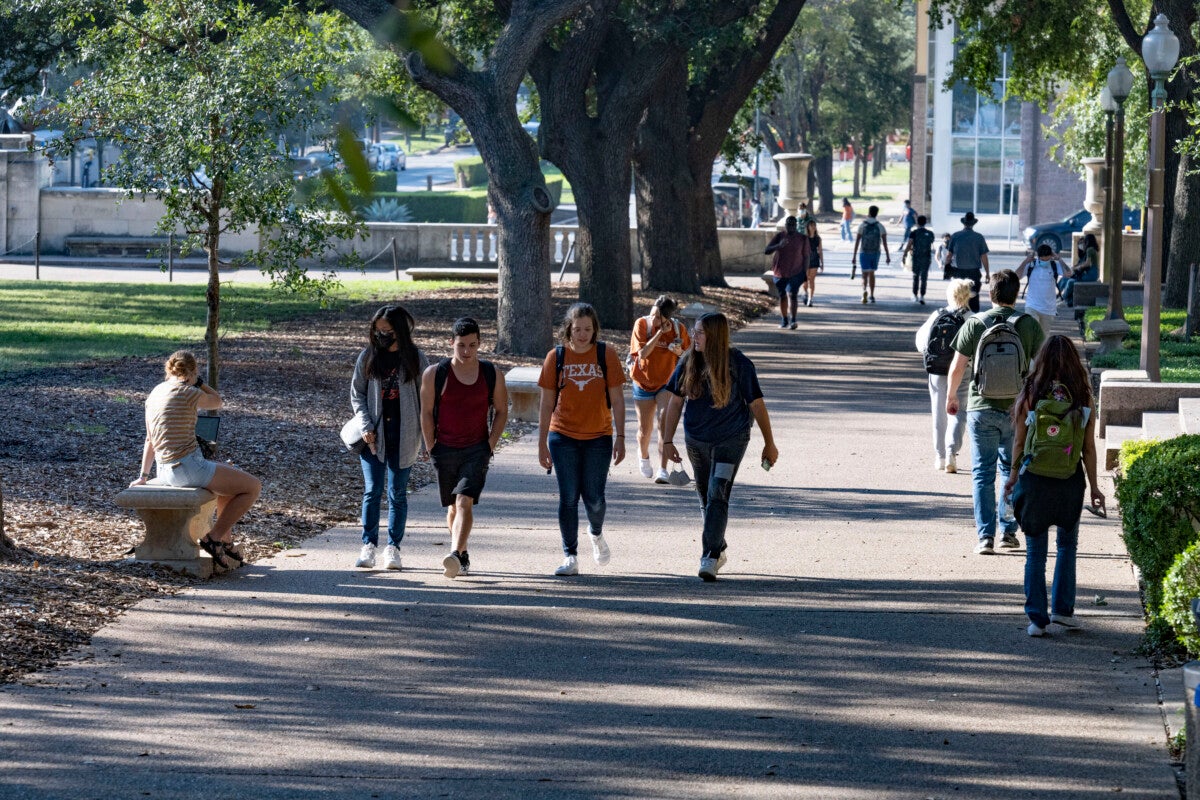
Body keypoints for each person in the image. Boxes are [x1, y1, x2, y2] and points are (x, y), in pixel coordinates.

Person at [662, 312, 779, 582]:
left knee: (717, 492)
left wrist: (769, 443)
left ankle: (710, 556)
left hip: (731, 440)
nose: (694, 336)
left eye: (700, 332)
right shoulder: (688, 361)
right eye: (694, 331)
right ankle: (718, 544)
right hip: (696, 441)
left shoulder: (739, 364)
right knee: (705, 495)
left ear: (715, 336)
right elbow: (675, 402)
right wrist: (667, 441)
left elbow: (756, 404)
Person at [1003, 335, 1105, 636]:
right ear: (1074, 362)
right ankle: (1063, 610)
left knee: (1035, 552)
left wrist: (1013, 477)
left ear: (1042, 360)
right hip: (1069, 482)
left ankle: (1037, 619)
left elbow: (1019, 442)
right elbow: (1088, 448)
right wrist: (1094, 486)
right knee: (1067, 546)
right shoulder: (1082, 397)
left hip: (1034, 481)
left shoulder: (1031, 394)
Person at [131, 350, 261, 570]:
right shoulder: (188, 392)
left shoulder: (155, 393)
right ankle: (214, 538)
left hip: (164, 470)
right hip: (188, 468)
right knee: (253, 487)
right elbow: (217, 401)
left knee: (228, 474)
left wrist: (143, 476)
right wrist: (200, 383)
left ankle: (226, 541)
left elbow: (149, 439)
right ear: (192, 372)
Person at [946, 270, 1045, 555]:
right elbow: (1042, 367)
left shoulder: (975, 323)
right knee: (1012, 471)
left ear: (990, 294)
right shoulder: (1029, 324)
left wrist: (951, 397)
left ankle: (985, 537)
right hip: (1017, 410)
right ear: (1016, 294)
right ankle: (1008, 532)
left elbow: (958, 367)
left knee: (982, 473)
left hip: (981, 408)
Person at [537, 303, 626, 576]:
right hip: (562, 436)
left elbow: (618, 400)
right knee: (568, 497)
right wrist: (541, 443)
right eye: (577, 329)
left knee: (594, 498)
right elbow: (546, 403)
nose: (583, 334)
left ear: (595, 329)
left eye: (588, 329)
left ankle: (596, 532)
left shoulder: (606, 354)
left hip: (599, 436)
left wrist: (621, 437)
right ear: (568, 329)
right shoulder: (556, 357)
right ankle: (570, 555)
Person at [420, 317, 508, 579]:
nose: (467, 351)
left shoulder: (491, 374)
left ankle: (455, 554)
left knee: (464, 500)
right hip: (444, 448)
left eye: (472, 345)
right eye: (461, 345)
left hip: (476, 449)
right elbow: (426, 412)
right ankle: (463, 553)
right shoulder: (435, 374)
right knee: (453, 507)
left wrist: (489, 444)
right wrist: (430, 445)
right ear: (451, 343)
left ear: (479, 343)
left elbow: (502, 411)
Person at [350, 305, 429, 570]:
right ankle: (368, 545)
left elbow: (427, 401)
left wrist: (428, 439)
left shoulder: (416, 358)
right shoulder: (367, 356)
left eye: (387, 331)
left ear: (401, 331)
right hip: (373, 435)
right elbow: (357, 394)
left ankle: (393, 547)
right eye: (378, 331)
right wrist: (365, 426)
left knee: (397, 493)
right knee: (372, 490)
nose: (381, 336)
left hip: (405, 434)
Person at [629, 296, 690, 483]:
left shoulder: (678, 329)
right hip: (643, 382)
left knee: (664, 423)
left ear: (668, 318)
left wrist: (679, 351)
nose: (654, 319)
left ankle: (662, 470)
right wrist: (658, 334)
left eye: (658, 317)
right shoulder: (642, 325)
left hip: (666, 383)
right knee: (644, 429)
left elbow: (689, 355)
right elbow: (642, 354)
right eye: (653, 314)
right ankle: (643, 456)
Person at [915, 279, 974, 473]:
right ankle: (951, 452)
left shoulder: (937, 315)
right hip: (963, 370)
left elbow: (921, 342)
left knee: (939, 412)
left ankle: (940, 457)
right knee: (959, 411)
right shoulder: (972, 318)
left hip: (937, 370)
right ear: (968, 296)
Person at [764, 216, 810, 329]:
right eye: (789, 225)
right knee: (782, 295)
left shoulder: (803, 238)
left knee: (792, 294)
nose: (791, 227)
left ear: (796, 225)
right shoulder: (780, 236)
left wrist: (805, 272)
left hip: (796, 272)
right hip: (780, 272)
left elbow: (806, 256)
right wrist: (778, 245)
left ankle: (793, 320)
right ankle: (784, 320)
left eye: (793, 225)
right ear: (786, 225)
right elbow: (767, 251)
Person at [1017, 244, 1068, 334]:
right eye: (1042, 260)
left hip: (1048, 309)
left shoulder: (1054, 266)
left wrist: (1059, 259)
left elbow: (1069, 273)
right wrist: (1025, 262)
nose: (1044, 262)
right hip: (1032, 306)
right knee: (1032, 331)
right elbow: (1016, 276)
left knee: (1043, 337)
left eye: (1047, 260)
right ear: (1038, 257)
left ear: (1051, 256)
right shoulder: (1031, 265)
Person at [945, 212, 990, 312]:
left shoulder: (955, 236)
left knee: (959, 296)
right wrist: (987, 273)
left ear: (964, 223)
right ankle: (973, 317)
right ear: (973, 224)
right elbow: (984, 257)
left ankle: (959, 316)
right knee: (973, 297)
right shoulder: (979, 237)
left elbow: (949, 256)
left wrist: (946, 269)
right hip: (974, 273)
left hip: (958, 272)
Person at [851, 205, 890, 304]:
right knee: (872, 273)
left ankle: (864, 290)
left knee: (864, 274)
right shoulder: (880, 226)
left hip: (864, 252)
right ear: (876, 214)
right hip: (875, 253)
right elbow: (885, 243)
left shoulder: (862, 225)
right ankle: (872, 295)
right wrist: (887, 256)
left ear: (869, 212)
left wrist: (854, 256)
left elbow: (857, 241)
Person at [902, 214, 936, 304]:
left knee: (915, 276)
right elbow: (932, 243)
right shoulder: (930, 233)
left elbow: (909, 244)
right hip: (926, 257)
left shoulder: (914, 233)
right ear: (925, 223)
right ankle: (922, 296)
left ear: (917, 222)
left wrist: (904, 254)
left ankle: (915, 295)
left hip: (916, 257)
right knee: (924, 277)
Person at [1059, 233, 1099, 307]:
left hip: (1090, 275)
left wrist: (1078, 267)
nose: (1083, 244)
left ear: (1087, 241)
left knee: (1070, 282)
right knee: (1068, 280)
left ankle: (1063, 298)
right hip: (1094, 274)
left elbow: (1087, 263)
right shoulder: (1093, 249)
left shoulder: (1089, 250)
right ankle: (1062, 297)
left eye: (1084, 242)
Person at [802, 219, 824, 307]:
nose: (813, 227)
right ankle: (805, 293)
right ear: (808, 227)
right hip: (805, 260)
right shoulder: (804, 238)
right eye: (811, 225)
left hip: (815, 260)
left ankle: (810, 299)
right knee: (805, 280)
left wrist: (822, 263)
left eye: (814, 225)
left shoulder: (818, 239)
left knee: (812, 280)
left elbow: (820, 251)